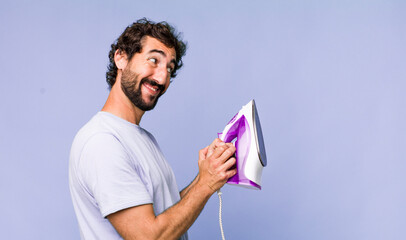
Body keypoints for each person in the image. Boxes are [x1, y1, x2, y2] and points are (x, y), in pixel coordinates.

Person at [69, 18, 237, 240]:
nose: (162, 77)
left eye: (170, 68)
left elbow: (162, 210)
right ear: (121, 58)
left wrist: (206, 174)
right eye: (153, 60)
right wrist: (206, 184)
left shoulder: (141, 137)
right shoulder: (103, 142)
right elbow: (148, 237)